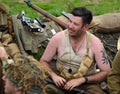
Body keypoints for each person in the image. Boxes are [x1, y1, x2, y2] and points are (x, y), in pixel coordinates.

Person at [40, 7, 110, 94]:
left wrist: (83, 80)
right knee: (46, 89)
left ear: (85, 27)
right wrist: (54, 76)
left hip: (86, 83)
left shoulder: (95, 44)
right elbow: (43, 61)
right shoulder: (57, 38)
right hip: (61, 79)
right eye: (70, 21)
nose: (70, 26)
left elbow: (106, 72)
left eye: (75, 24)